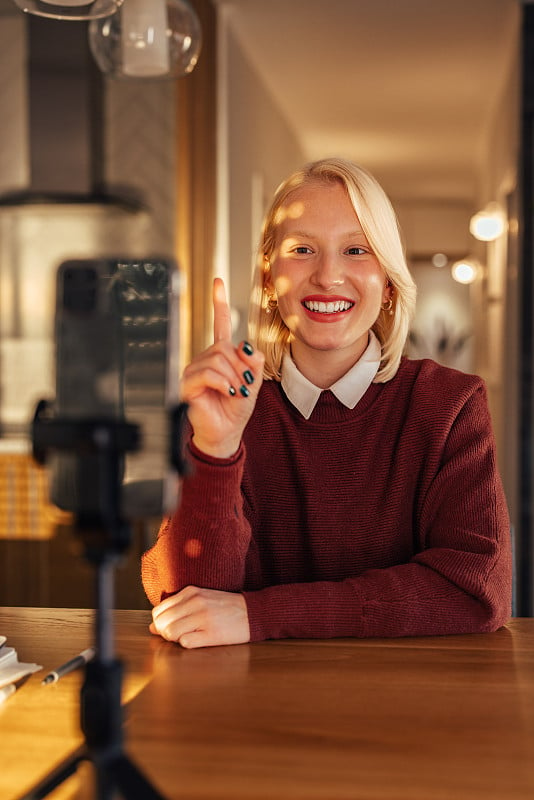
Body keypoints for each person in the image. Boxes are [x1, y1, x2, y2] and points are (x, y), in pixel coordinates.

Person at [142, 157, 512, 649]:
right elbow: (186, 600)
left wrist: (264, 614)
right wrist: (216, 446)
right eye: (302, 250)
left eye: (356, 250)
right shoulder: (223, 403)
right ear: (271, 280)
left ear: (387, 283)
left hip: (407, 703)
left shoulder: (450, 405)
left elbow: (476, 590)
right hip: (250, 705)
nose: (328, 275)